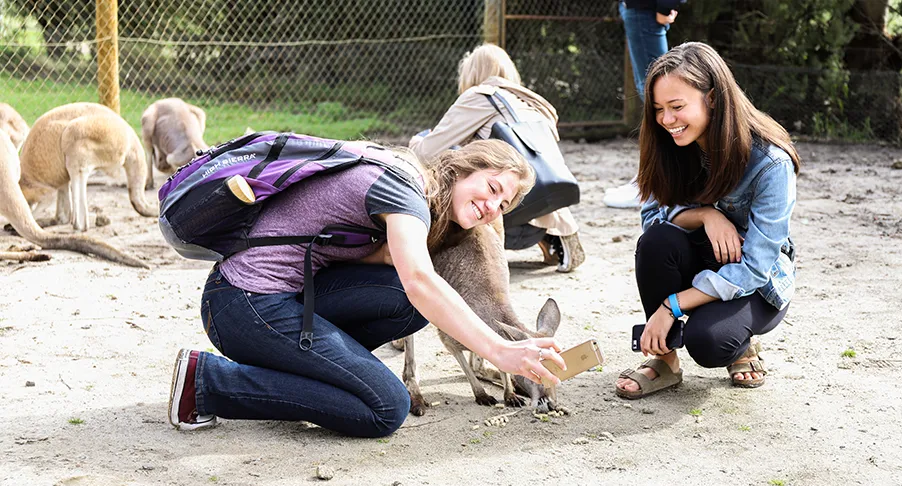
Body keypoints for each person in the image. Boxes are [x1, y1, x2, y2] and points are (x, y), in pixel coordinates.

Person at [168, 139, 567, 437]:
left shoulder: (417, 194)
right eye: (493, 188)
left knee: (404, 305)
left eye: (504, 205)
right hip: (242, 305)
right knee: (385, 408)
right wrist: (500, 350)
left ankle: (308, 372)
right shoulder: (404, 189)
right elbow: (421, 281)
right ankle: (206, 382)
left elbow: (392, 275)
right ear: (464, 168)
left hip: (278, 296)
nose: (493, 208)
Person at [615, 42, 799, 399]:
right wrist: (705, 214)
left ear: (712, 98)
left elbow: (755, 269)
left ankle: (741, 345)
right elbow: (652, 221)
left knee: (708, 342)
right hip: (701, 261)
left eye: (677, 107)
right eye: (658, 109)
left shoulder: (771, 163)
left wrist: (672, 306)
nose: (666, 120)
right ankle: (663, 361)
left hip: (756, 284)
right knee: (656, 243)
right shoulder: (667, 145)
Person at [409, 43, 585, 273]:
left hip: (504, 219)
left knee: (431, 143)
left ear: (472, 73)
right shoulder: (533, 103)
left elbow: (427, 151)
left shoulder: (480, 96)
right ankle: (557, 231)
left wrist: (416, 141)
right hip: (541, 204)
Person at [604, 0, 683, 209]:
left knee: (657, 97)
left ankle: (651, 185)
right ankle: (649, 180)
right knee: (652, 94)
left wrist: (666, 5)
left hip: (645, 9)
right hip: (639, 8)